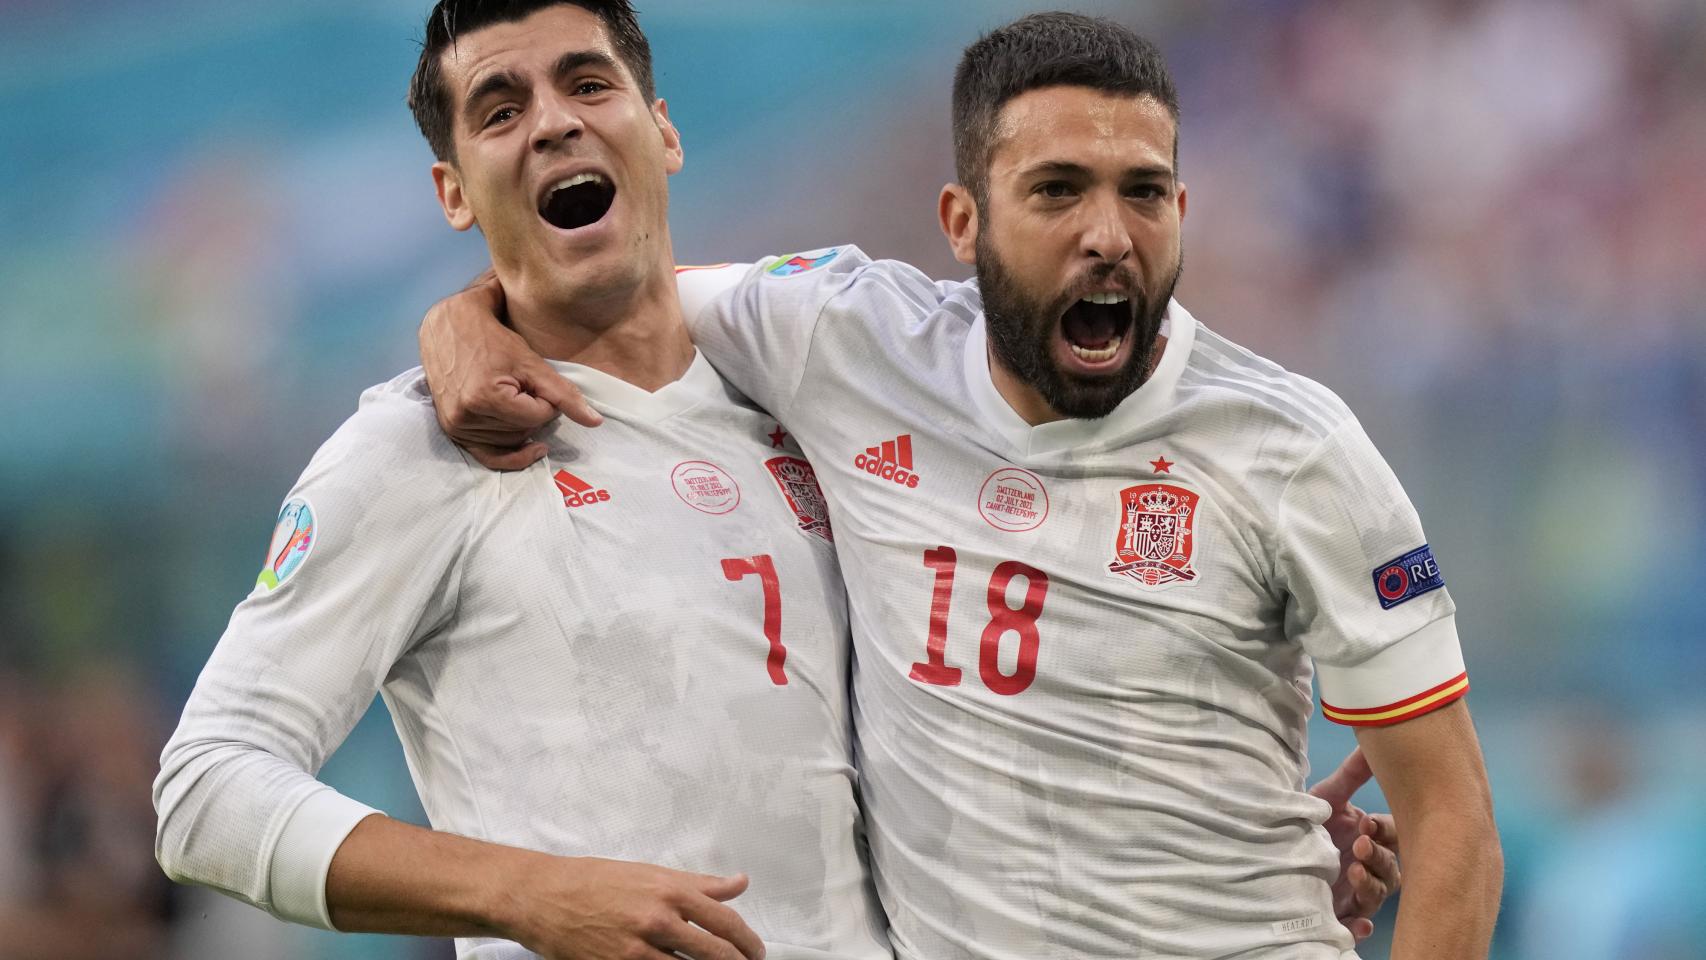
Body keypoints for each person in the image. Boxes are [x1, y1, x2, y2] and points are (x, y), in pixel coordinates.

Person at [422, 10, 1500, 960]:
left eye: (1143, 195)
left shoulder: (1293, 448)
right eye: (1056, 192)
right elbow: (603, 290)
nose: (1107, 236)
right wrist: (462, 320)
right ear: (961, 223)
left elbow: (1450, 827)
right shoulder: (847, 340)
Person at [155, 3, 887, 958]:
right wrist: (524, 894)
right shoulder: (416, 447)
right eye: (501, 111)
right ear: (452, 192)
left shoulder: (807, 383)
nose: (552, 123)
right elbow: (204, 790)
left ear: (663, 129)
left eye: (588, 84)